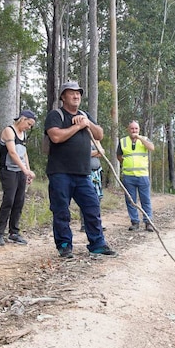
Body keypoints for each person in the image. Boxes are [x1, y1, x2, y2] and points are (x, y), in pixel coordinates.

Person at [44, 81, 116, 259]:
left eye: (78, 93)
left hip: (83, 174)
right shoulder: (56, 115)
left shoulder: (85, 115)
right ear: (63, 97)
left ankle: (97, 244)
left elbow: (99, 135)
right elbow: (56, 137)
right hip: (60, 172)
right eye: (71, 93)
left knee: (92, 207)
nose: (76, 96)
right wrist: (77, 126)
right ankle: (64, 245)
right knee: (61, 211)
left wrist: (87, 123)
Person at [0, 110, 37, 246]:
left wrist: (26, 171)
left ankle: (14, 232)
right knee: (9, 200)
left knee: (19, 201)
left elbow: (24, 154)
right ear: (22, 119)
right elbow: (12, 152)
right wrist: (25, 170)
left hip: (20, 172)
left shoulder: (23, 134)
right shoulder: (8, 131)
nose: (29, 127)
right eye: (28, 124)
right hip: (8, 170)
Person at [116, 120, 155, 231]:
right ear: (128, 130)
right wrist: (125, 163)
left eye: (136, 129)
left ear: (139, 130)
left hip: (142, 175)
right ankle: (134, 222)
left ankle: (148, 222)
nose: (134, 131)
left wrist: (140, 138)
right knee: (130, 200)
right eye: (132, 129)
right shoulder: (123, 141)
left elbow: (151, 148)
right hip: (128, 176)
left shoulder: (145, 139)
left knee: (145, 200)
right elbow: (119, 155)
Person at [79, 142, 104, 231]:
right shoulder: (81, 138)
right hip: (86, 173)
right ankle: (84, 224)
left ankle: (96, 223)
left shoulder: (95, 140)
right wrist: (97, 152)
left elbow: (102, 152)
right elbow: (84, 153)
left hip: (97, 172)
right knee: (85, 198)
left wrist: (95, 152)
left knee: (97, 198)